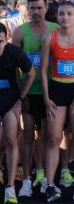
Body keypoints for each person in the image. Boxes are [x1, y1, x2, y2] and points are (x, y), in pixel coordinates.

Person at [40, 0, 74, 203]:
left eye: (69, 14)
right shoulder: (50, 37)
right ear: (57, 16)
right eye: (61, 13)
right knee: (53, 138)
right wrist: (46, 97)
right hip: (56, 89)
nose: (64, 17)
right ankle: (51, 184)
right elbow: (44, 71)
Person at [12, 0, 58, 197]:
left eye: (40, 8)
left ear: (46, 8)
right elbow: (12, 65)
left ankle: (48, 179)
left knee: (50, 137)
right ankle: (28, 179)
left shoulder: (56, 29)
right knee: (29, 136)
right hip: (29, 91)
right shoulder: (20, 32)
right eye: (32, 8)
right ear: (27, 9)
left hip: (52, 91)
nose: (36, 12)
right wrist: (18, 93)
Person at [0, 22, 35, 204]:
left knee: (11, 141)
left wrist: (21, 98)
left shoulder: (14, 52)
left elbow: (31, 73)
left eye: (0, 41)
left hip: (10, 100)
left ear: (7, 40)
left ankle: (10, 186)